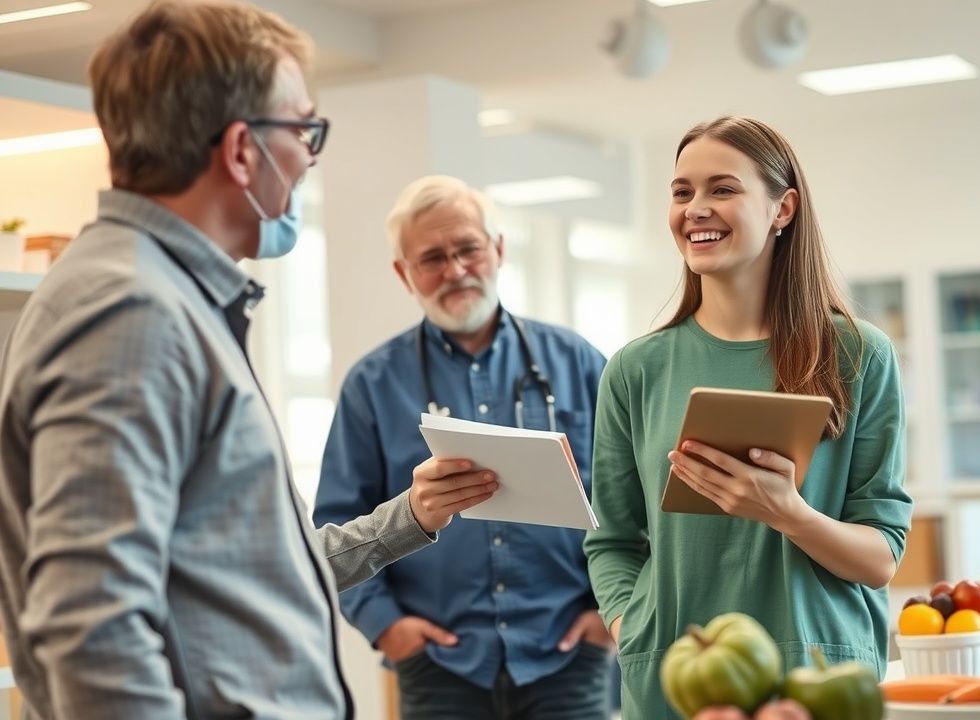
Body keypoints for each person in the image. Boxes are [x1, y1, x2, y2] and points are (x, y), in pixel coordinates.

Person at [0, 3, 499, 719]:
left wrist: (411, 516)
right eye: (303, 130)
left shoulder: (165, 298)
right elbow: (91, 628)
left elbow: (255, 567)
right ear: (241, 151)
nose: (310, 156)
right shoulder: (130, 314)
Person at [584, 116, 913, 717]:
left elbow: (880, 556)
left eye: (722, 189)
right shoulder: (635, 369)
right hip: (672, 681)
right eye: (682, 192)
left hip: (818, 678)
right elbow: (612, 541)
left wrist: (788, 514)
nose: (695, 208)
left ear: (782, 209)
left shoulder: (858, 355)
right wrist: (632, 625)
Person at [312, 175, 613, 719]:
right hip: (439, 667)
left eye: (468, 249)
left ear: (497, 250)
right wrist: (389, 629)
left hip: (568, 655)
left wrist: (610, 615)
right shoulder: (373, 385)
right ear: (405, 274)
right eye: (431, 258)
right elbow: (337, 518)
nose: (455, 270)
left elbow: (630, 497)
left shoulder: (579, 363)